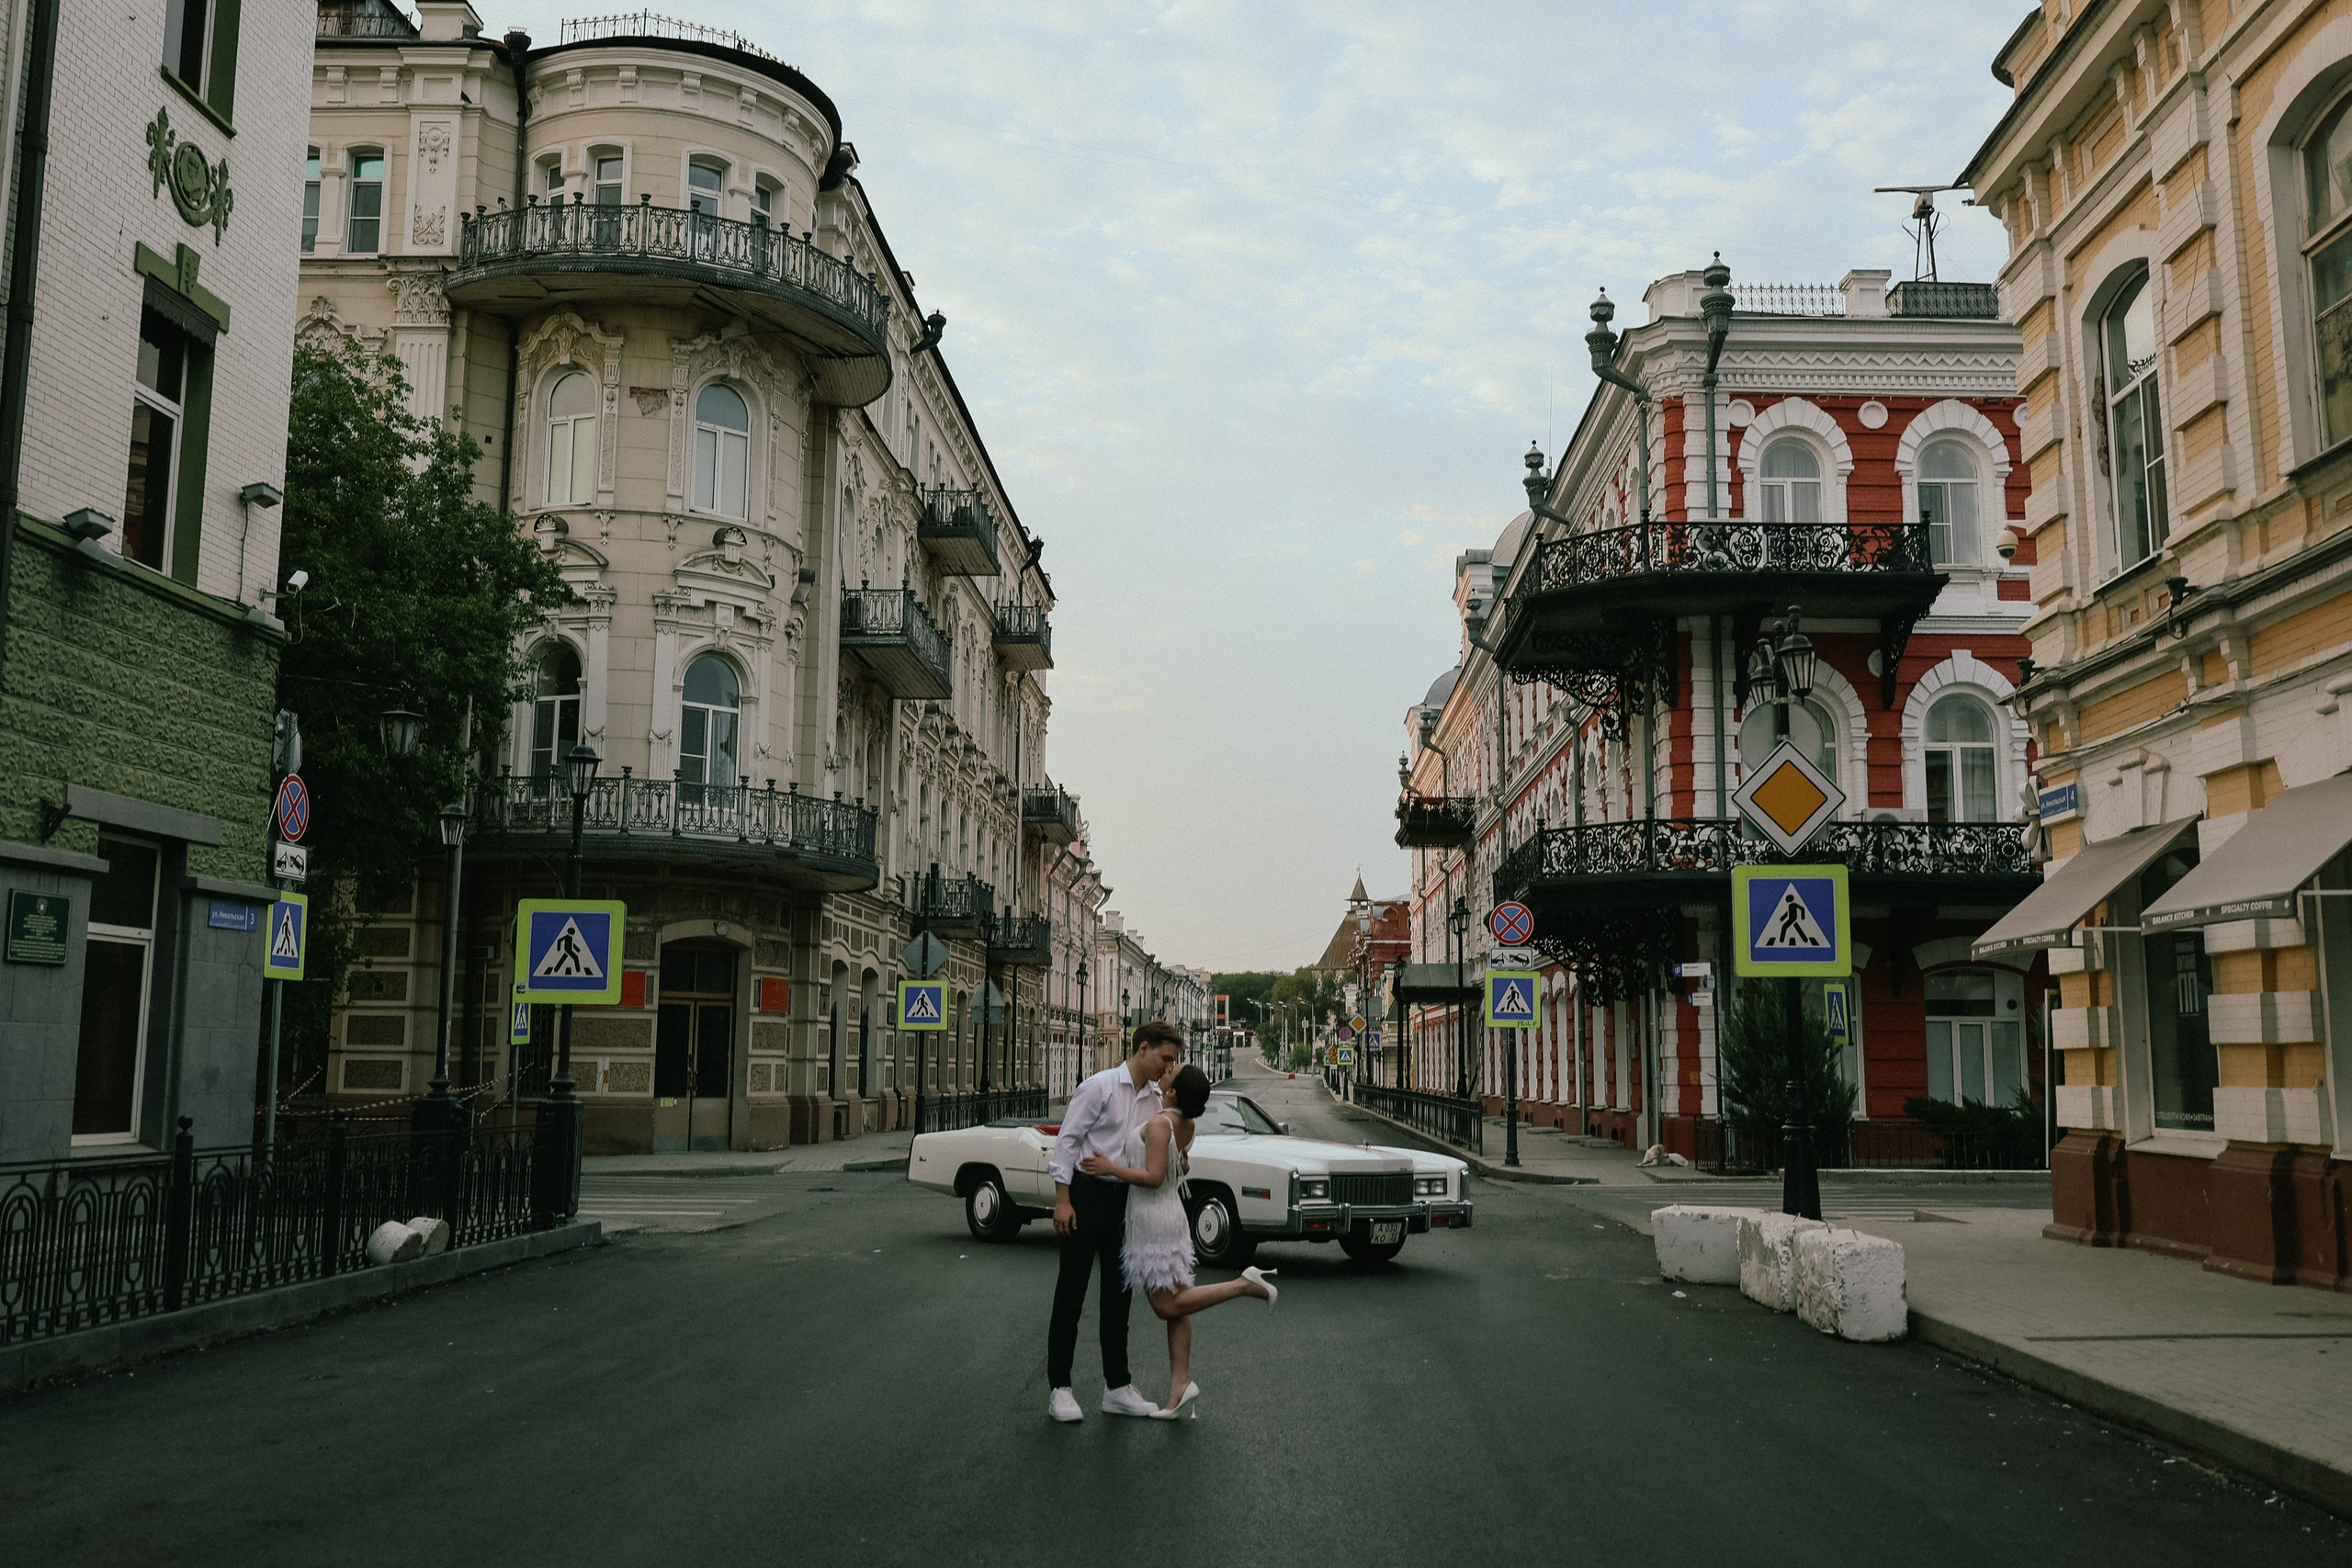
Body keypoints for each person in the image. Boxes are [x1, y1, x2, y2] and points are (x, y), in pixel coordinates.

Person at [1080, 1063, 1276, 1418]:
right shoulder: (1185, 1125)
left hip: (1154, 1220)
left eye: (1172, 1072)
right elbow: (1179, 1167)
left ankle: (1242, 1285)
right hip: (1171, 1216)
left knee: (1166, 1307)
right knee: (1179, 1305)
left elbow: (1154, 1177)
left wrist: (1111, 1168)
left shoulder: (1159, 1124)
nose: (1166, 1070)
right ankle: (1179, 1386)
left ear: (1172, 1093)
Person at [1045, 1021, 1182, 1424]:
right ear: (1143, 1048)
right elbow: (1067, 1141)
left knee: (1118, 1296)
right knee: (1072, 1290)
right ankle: (1060, 1388)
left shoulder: (1154, 1100)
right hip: (1085, 1195)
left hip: (1126, 1201)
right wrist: (1063, 1200)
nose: (1167, 1067)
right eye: (1164, 1058)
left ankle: (1117, 1386)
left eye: (1172, 1061)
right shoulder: (1100, 1086)